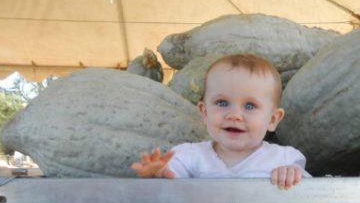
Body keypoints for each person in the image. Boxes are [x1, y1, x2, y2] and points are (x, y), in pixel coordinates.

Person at [131, 53, 310, 189]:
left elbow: (314, 194)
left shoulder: (283, 158)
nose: (234, 115)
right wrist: (159, 173)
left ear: (272, 119)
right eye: (222, 103)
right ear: (204, 112)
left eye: (249, 106)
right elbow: (171, 181)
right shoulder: (189, 156)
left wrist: (293, 175)